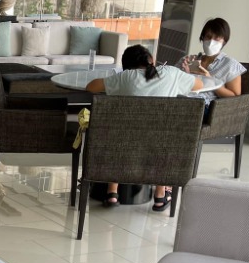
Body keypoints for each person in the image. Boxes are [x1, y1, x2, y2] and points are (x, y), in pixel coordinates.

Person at [86, 44, 204, 210]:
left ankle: (112, 192)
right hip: (162, 143)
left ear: (127, 65)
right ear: (151, 60)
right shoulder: (171, 73)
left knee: (119, 132)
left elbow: (91, 87)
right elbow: (199, 85)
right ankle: (160, 195)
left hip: (125, 142)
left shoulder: (125, 77)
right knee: (162, 136)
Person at [179, 17, 246, 102]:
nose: (211, 42)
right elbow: (170, 80)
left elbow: (235, 97)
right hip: (178, 98)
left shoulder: (230, 64)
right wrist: (184, 73)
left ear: (224, 41)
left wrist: (210, 81)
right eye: (208, 37)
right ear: (202, 37)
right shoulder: (189, 59)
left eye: (217, 38)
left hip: (202, 104)